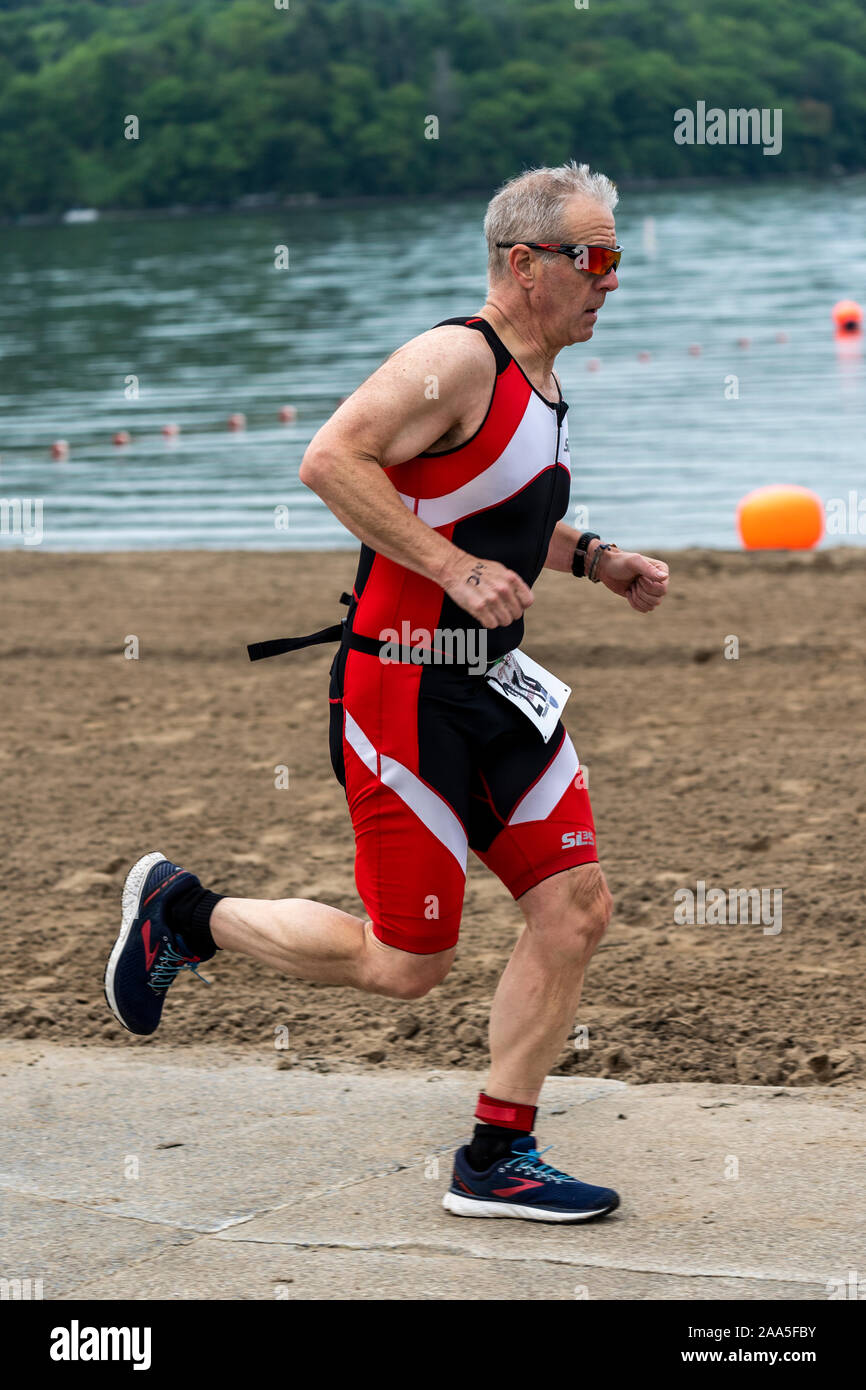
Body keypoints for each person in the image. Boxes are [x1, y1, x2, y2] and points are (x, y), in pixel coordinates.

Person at [104, 161, 669, 1223]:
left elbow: (480, 509)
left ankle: (496, 1156)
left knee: (575, 908)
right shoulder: (455, 357)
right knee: (406, 963)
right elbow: (332, 461)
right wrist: (451, 574)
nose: (610, 279)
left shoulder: (540, 381)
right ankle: (185, 913)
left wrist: (592, 557)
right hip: (400, 693)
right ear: (523, 263)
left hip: (495, 689)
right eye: (592, 258)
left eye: (614, 258)